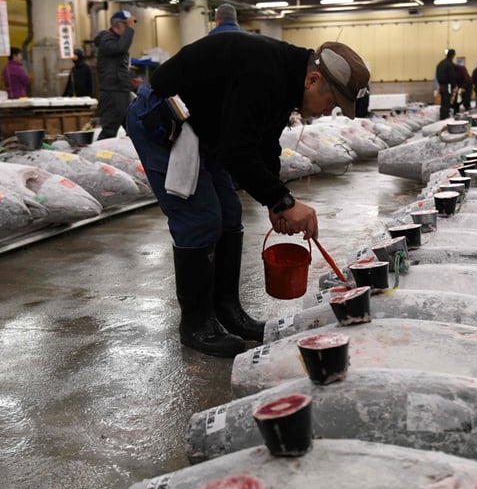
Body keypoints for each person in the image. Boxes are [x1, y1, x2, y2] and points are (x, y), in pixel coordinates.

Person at [124, 34, 369, 357]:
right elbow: (237, 151)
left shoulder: (287, 80)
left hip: (204, 128)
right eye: (332, 102)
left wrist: (277, 200)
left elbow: (263, 142)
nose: (327, 112)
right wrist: (282, 200)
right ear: (313, 79)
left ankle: (227, 311)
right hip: (164, 121)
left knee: (229, 213)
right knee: (201, 218)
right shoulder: (265, 74)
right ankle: (196, 324)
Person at [94, 10, 136, 140]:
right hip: (113, 92)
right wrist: (130, 30)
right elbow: (120, 48)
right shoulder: (107, 40)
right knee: (110, 129)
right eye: (126, 25)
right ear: (117, 26)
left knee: (132, 126)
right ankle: (99, 155)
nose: (129, 28)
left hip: (121, 89)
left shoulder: (115, 40)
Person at [435, 48, 456, 119]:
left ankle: (442, 116)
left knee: (443, 101)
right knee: (447, 102)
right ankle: (445, 117)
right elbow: (452, 76)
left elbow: (437, 75)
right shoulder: (449, 64)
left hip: (441, 85)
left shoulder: (440, 63)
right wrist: (453, 87)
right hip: (448, 85)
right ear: (453, 55)